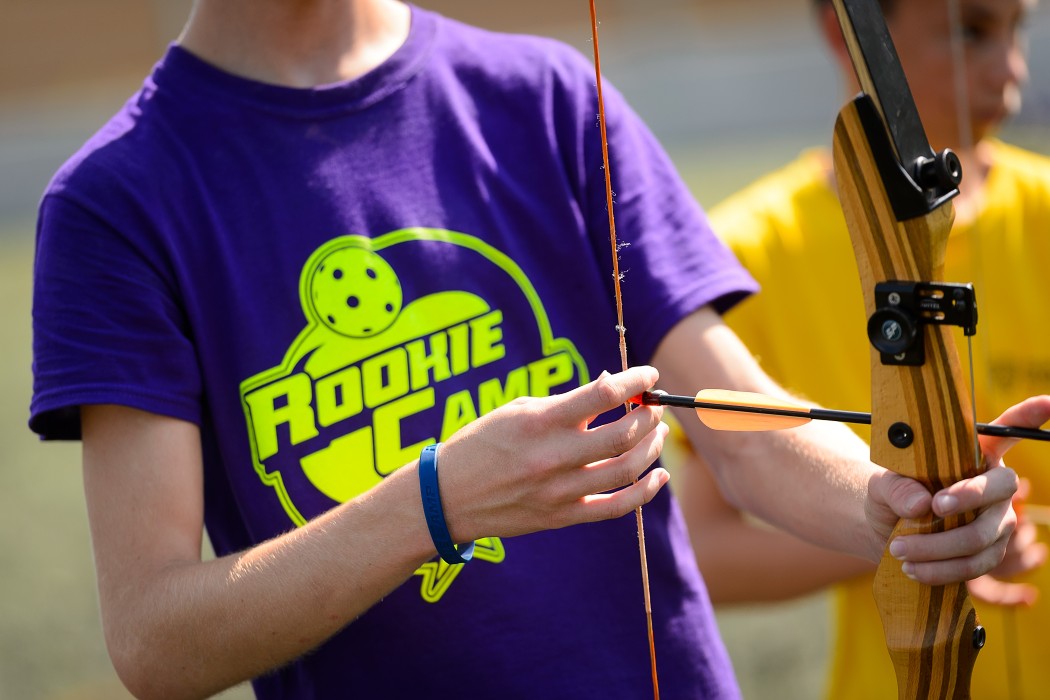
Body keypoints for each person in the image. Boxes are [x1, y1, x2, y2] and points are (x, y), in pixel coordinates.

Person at [28, 1, 1038, 698]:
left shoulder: (548, 98)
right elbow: (155, 639)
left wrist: (890, 503)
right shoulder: (116, 200)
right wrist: (436, 501)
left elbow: (743, 424)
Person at [672, 0, 1050, 697]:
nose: (1013, 70)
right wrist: (918, 537)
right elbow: (705, 550)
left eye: (1015, 28)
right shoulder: (749, 253)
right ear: (849, 33)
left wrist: (990, 531)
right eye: (970, 32)